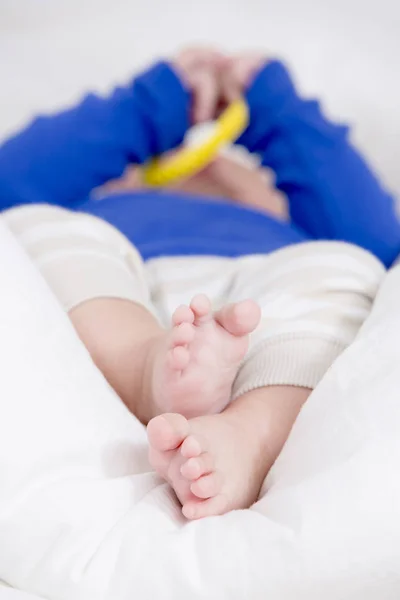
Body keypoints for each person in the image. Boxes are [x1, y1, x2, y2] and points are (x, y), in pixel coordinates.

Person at [0, 48, 398, 520]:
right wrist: (155, 104)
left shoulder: (295, 234)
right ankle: (147, 370)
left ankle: (247, 436)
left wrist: (270, 102)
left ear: (285, 198)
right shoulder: (94, 212)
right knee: (31, 228)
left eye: (233, 167)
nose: (203, 165)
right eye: (167, 166)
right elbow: (10, 183)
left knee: (343, 265)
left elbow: (377, 238)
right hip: (114, 292)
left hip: (266, 309)